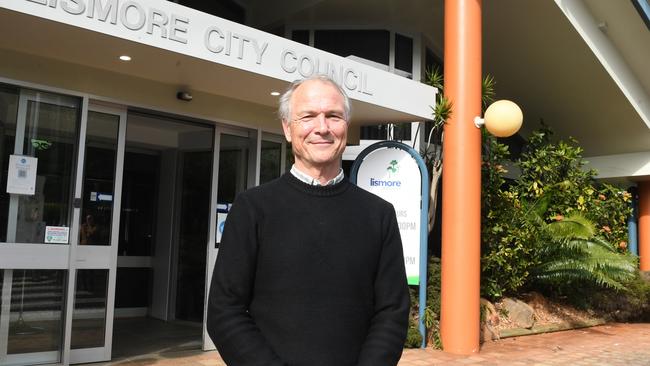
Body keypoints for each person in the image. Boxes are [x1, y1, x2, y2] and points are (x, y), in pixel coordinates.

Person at [207, 75, 410, 366]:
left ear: (346, 126)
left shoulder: (379, 214)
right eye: (308, 116)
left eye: (333, 116)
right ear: (288, 129)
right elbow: (224, 311)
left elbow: (392, 311)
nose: (322, 127)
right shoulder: (253, 208)